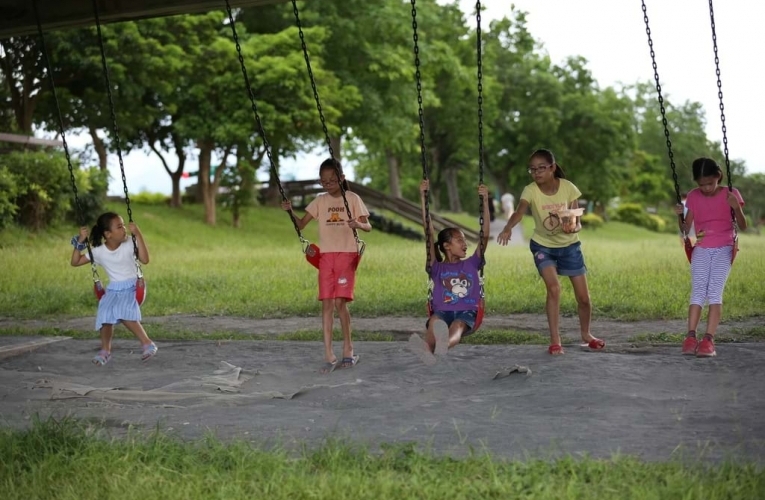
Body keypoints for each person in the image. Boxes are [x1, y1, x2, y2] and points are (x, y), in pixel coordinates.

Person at [496, 148, 604, 355]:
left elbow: (578, 223)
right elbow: (520, 211)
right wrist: (508, 227)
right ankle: (555, 340)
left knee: (583, 298)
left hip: (570, 247)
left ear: (553, 168)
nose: (536, 173)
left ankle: (586, 334)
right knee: (554, 289)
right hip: (542, 246)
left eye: (541, 168)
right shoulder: (530, 190)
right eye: (532, 169)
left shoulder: (569, 188)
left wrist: (573, 227)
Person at [281, 158, 372, 373]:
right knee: (327, 304)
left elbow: (367, 226)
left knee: (341, 302)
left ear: (341, 178)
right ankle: (328, 354)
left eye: (332, 180)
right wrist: (289, 211)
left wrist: (357, 224)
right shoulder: (320, 201)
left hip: (347, 255)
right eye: (324, 182)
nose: (328, 185)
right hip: (326, 257)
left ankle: (348, 349)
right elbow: (301, 224)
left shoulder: (352, 198)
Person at [408, 179, 491, 365]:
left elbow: (484, 235)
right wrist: (423, 197)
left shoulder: (472, 263)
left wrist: (485, 201)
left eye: (464, 241)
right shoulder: (436, 267)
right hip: (442, 311)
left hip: (466, 311)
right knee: (436, 320)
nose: (464, 244)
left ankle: (442, 345)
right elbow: (428, 233)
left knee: (457, 326)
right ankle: (428, 349)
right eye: (459, 240)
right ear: (446, 246)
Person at [674, 157, 746, 358]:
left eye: (710, 183)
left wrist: (736, 207)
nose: (706, 188)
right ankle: (690, 337)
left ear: (719, 176)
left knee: (714, 291)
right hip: (702, 248)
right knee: (697, 291)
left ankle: (708, 339)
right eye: (701, 184)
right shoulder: (694, 196)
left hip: (724, 247)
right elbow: (686, 229)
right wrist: (679, 216)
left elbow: (744, 225)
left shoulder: (731, 194)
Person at [71, 212, 155, 366]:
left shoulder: (130, 242)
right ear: (108, 234)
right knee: (105, 313)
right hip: (113, 290)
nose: (124, 229)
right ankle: (105, 351)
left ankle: (147, 343)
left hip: (132, 286)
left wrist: (138, 234)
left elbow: (145, 259)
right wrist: (81, 241)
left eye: (123, 225)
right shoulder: (98, 251)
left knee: (122, 311)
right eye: (119, 227)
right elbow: (75, 262)